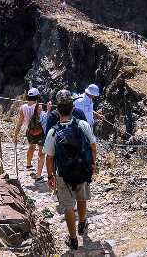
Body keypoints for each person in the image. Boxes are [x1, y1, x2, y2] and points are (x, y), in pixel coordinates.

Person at [44, 90, 97, 251]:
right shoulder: (83, 124)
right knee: (82, 198)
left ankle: (73, 239)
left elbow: (49, 156)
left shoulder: (53, 131)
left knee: (67, 206)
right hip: (82, 169)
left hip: (63, 174)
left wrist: (50, 175)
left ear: (57, 110)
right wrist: (92, 164)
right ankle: (82, 222)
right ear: (73, 108)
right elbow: (93, 145)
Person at [13, 88, 46, 180]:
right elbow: (43, 121)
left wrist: (15, 135)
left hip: (30, 132)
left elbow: (19, 123)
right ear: (37, 96)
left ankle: (28, 164)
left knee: (31, 146)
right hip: (40, 133)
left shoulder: (23, 107)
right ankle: (38, 175)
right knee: (41, 152)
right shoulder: (39, 107)